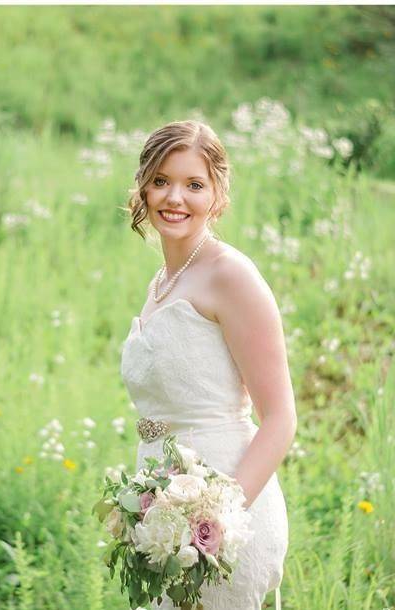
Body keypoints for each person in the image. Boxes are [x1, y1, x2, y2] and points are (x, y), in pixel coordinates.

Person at [121, 120, 295, 610]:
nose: (174, 197)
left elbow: (281, 419)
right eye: (161, 181)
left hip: (223, 520)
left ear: (217, 196)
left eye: (194, 184)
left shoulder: (231, 276)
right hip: (164, 518)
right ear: (143, 188)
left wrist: (216, 520)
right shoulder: (164, 280)